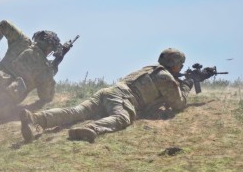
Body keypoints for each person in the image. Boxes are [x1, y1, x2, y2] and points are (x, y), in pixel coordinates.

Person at [20, 48, 198, 144]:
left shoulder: (149, 69)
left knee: (76, 111)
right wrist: (187, 84)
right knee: (121, 118)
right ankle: (92, 129)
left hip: (108, 91)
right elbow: (178, 104)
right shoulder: (165, 78)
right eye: (180, 65)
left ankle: (35, 118)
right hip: (123, 97)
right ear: (175, 64)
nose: (181, 68)